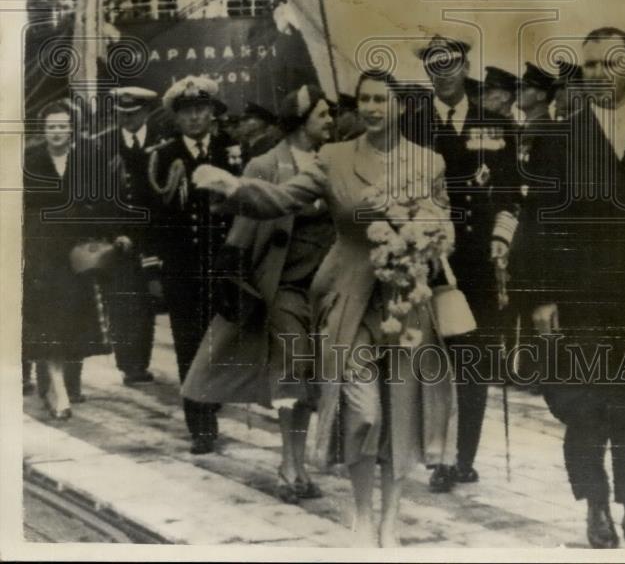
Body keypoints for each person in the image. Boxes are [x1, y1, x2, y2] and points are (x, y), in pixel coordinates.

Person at [193, 69, 454, 547]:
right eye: (365, 99)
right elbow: (282, 198)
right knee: (364, 412)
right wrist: (233, 188)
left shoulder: (428, 163)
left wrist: (427, 233)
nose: (373, 108)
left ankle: (390, 522)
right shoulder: (334, 158)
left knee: (400, 413)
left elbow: (443, 224)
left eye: (382, 99)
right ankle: (360, 516)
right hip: (347, 298)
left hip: (405, 303)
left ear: (401, 107)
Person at [519, 27, 625, 549]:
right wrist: (541, 298)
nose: (597, 75)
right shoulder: (557, 139)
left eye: (607, 64)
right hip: (582, 297)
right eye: (588, 65)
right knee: (587, 403)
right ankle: (596, 506)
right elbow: (536, 224)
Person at [183, 86, 335, 503]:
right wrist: (232, 277)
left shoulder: (332, 161)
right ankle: (291, 465)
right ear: (302, 119)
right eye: (323, 115)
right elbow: (244, 229)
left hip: (325, 290)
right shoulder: (265, 164)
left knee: (309, 379)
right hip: (282, 288)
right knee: (291, 372)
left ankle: (300, 461)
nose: (330, 122)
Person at [410, 36, 520, 492]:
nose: (445, 72)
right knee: (434, 359)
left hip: (477, 257)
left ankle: (464, 456)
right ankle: (438, 456)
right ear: (429, 71)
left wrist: (502, 239)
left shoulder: (496, 124)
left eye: (452, 63)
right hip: (430, 258)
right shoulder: (412, 125)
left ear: (465, 65)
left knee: (474, 359)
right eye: (436, 65)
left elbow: (512, 191)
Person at [147, 76, 243, 454]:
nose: (194, 118)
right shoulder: (164, 156)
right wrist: (153, 269)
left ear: (212, 113)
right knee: (189, 346)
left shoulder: (231, 152)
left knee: (219, 344)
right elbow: (153, 217)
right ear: (177, 116)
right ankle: (201, 425)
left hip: (222, 266)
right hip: (182, 270)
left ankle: (211, 399)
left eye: (201, 110)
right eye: (187, 111)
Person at [23, 101, 114, 419]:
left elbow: (102, 201)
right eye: (51, 127)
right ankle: (57, 388)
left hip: (78, 253)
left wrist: (102, 239)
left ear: (71, 128)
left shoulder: (88, 158)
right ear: (43, 130)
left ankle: (63, 385)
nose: (58, 132)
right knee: (49, 321)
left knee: (73, 322)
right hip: (42, 253)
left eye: (63, 126)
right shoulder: (29, 160)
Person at [98, 87, 160, 387]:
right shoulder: (105, 144)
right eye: (122, 114)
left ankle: (142, 361)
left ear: (146, 112)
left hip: (154, 237)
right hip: (119, 239)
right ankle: (129, 365)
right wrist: (115, 233)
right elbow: (100, 196)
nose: (127, 120)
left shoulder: (161, 141)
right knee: (122, 301)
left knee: (148, 301)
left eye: (133, 114)